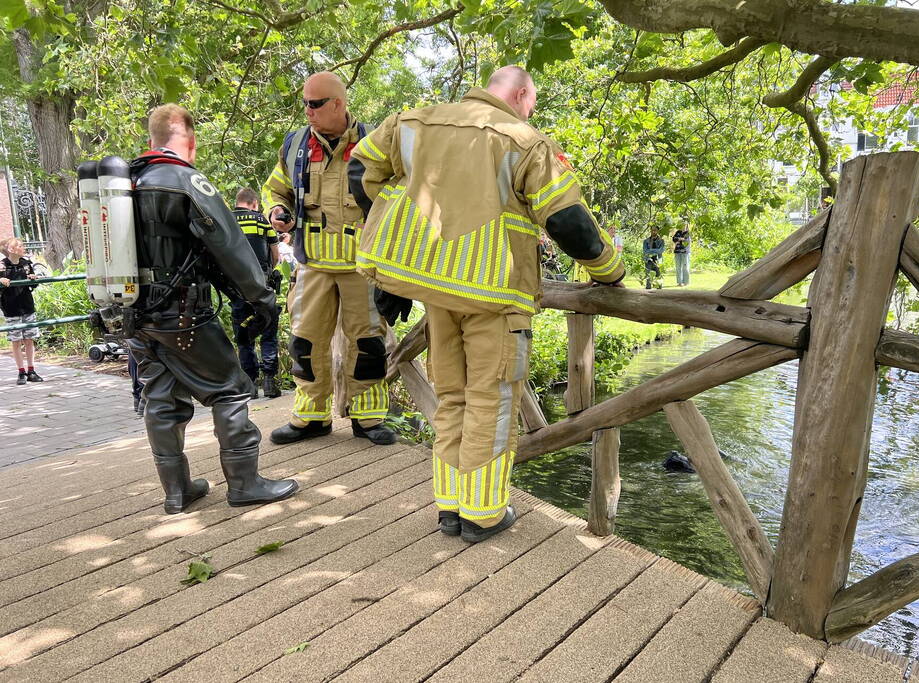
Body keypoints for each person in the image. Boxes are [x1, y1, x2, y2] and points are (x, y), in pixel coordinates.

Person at [350, 65, 625, 543]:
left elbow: (360, 171)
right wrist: (610, 271)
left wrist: (401, 225)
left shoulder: (415, 121)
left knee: (451, 397)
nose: (531, 111)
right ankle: (483, 512)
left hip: (435, 288)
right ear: (521, 94)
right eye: (532, 102)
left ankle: (451, 507)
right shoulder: (525, 141)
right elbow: (568, 223)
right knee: (493, 399)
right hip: (495, 296)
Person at [126, 104, 297, 514]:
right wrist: (262, 298)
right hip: (182, 314)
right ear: (190, 141)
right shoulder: (186, 181)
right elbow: (230, 246)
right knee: (232, 388)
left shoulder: (125, 183)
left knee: (161, 398)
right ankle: (244, 482)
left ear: (152, 140)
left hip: (133, 316)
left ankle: (177, 490)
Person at [261, 71, 396, 447]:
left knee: (368, 341)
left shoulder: (375, 144)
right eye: (304, 102)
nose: (308, 111)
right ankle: (310, 416)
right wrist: (276, 210)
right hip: (312, 264)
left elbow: (399, 196)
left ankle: (368, 418)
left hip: (363, 268)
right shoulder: (295, 145)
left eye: (316, 104)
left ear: (338, 104)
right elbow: (276, 187)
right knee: (305, 341)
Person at [232, 187, 282, 399]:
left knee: (244, 336)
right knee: (268, 330)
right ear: (254, 204)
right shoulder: (261, 220)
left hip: (236, 286)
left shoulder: (227, 219)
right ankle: (270, 382)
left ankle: (250, 384)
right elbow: (276, 254)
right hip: (261, 285)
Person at [0, 237, 43, 384]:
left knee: (29, 340)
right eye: (19, 245)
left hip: (27, 307)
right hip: (11, 308)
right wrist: (0, 281)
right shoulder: (2, 266)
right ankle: (21, 372)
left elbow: (34, 284)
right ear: (11, 249)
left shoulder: (26, 264)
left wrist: (33, 278)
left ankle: (31, 370)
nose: (22, 247)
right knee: (16, 341)